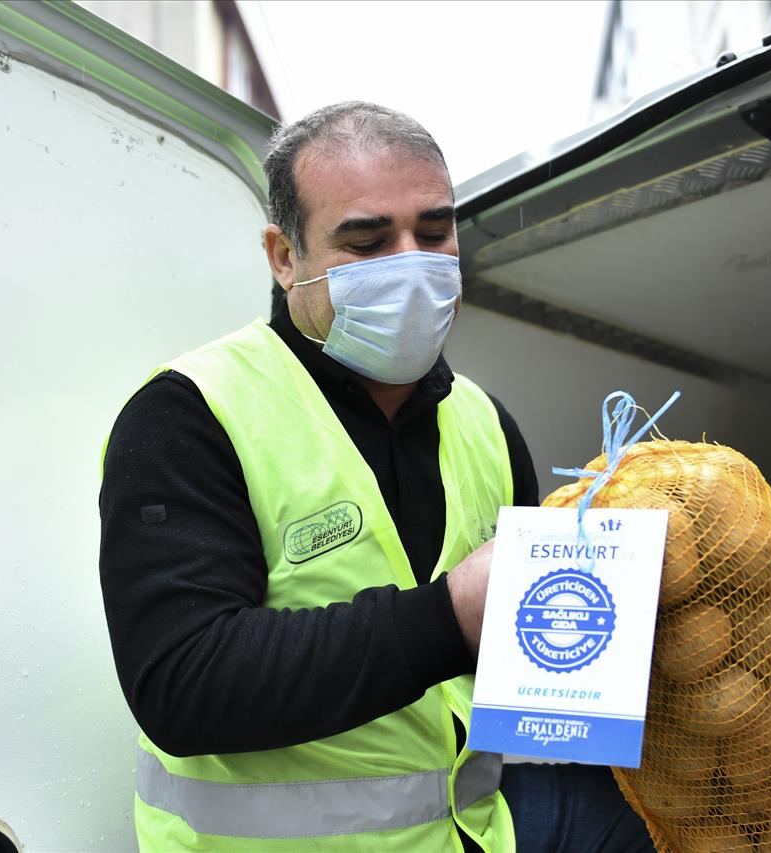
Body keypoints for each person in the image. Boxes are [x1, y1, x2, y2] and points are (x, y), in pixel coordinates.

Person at [99, 101, 652, 852]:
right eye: (366, 240)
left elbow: (536, 691)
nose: (412, 264)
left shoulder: (486, 422)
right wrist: (452, 614)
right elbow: (183, 685)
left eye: (433, 232)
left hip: (473, 833)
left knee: (656, 814)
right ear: (284, 255)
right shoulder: (190, 416)